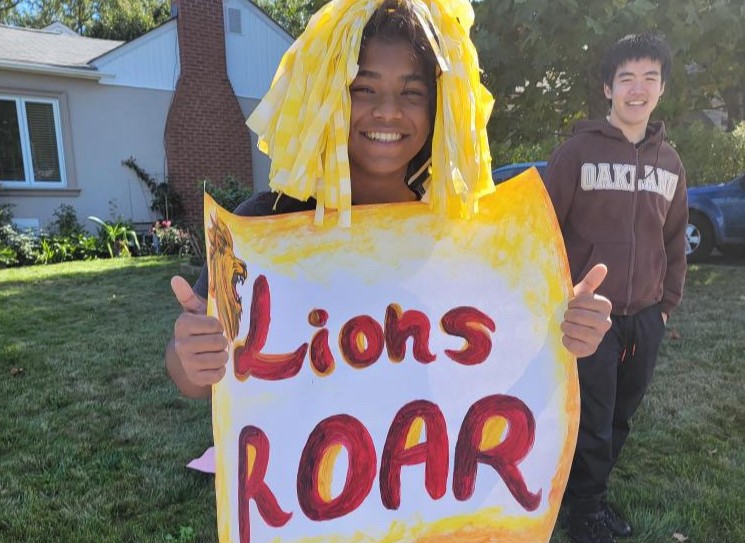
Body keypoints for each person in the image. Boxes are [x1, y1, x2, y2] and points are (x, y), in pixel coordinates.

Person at [166, 0, 612, 414]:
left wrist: (561, 328)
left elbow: (508, 359)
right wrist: (191, 355)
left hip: (425, 475)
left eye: (412, 93)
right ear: (327, 95)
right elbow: (194, 382)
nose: (388, 111)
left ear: (440, 108)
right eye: (364, 88)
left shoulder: (467, 231)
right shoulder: (264, 227)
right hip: (301, 486)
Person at [545, 34, 688, 543]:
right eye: (626, 78)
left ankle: (591, 492)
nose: (638, 89)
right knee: (591, 417)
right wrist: (558, 300)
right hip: (590, 318)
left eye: (650, 78)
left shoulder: (670, 164)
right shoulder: (576, 153)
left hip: (646, 317)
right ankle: (583, 510)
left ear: (661, 89)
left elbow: (675, 240)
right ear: (608, 87)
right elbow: (545, 232)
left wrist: (665, 307)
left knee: (622, 415)